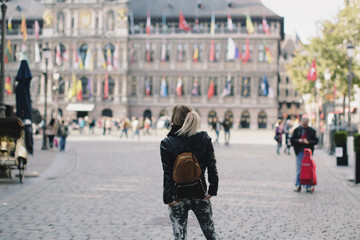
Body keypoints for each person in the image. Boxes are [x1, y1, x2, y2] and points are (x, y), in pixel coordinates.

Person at [160, 105, 219, 240]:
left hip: (177, 196)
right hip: (200, 193)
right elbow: (212, 165)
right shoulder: (204, 138)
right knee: (211, 234)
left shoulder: (167, 143)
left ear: (174, 120)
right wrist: (212, 189)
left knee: (179, 237)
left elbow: (167, 173)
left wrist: (168, 198)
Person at [290, 117, 319, 192]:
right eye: (303, 124)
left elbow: (316, 141)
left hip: (308, 153)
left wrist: (308, 142)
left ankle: (308, 185)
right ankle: (297, 184)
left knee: (308, 169)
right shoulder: (297, 130)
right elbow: (292, 140)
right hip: (299, 151)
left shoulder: (311, 131)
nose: (304, 125)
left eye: (305, 124)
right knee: (299, 169)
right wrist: (298, 140)